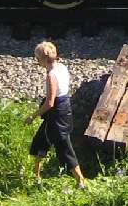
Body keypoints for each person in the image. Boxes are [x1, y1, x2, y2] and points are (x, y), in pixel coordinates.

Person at [27, 41, 88, 189]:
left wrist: (33, 116)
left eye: (37, 58)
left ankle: (80, 180)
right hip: (65, 108)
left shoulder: (51, 75)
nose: (37, 61)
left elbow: (50, 103)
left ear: (43, 59)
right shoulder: (62, 67)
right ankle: (36, 175)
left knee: (64, 147)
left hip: (56, 113)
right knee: (42, 140)